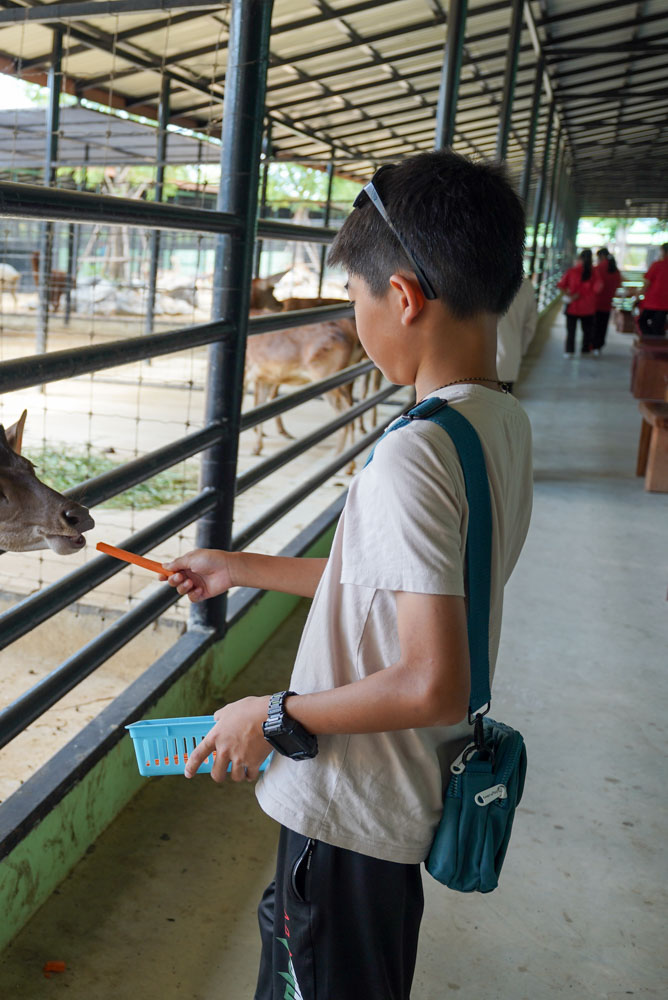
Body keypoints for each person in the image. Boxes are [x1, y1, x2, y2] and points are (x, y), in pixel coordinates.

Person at [156, 151, 533, 1000]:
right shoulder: (496, 420)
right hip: (403, 796)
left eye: (355, 300)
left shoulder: (412, 456)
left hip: (350, 808)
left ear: (402, 297)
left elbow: (436, 683)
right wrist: (237, 566)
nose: (353, 321)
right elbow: (395, 580)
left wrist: (272, 716)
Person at [557, 248, 598, 356]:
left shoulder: (572, 271)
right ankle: (585, 349)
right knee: (587, 331)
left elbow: (561, 285)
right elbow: (599, 289)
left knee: (571, 331)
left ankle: (569, 351)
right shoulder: (595, 273)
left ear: (580, 259)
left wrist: (569, 295)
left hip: (573, 307)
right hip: (589, 308)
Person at [589, 248, 621, 354]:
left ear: (601, 257)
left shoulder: (597, 269)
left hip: (595, 302)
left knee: (594, 325)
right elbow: (618, 284)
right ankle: (599, 346)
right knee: (603, 326)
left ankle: (592, 345)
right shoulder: (615, 270)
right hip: (607, 303)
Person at [640, 243, 668, 339]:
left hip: (653, 302)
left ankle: (651, 343)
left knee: (642, 321)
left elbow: (647, 283)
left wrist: (639, 294)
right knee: (658, 326)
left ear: (664, 252)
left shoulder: (657, 265)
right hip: (665, 304)